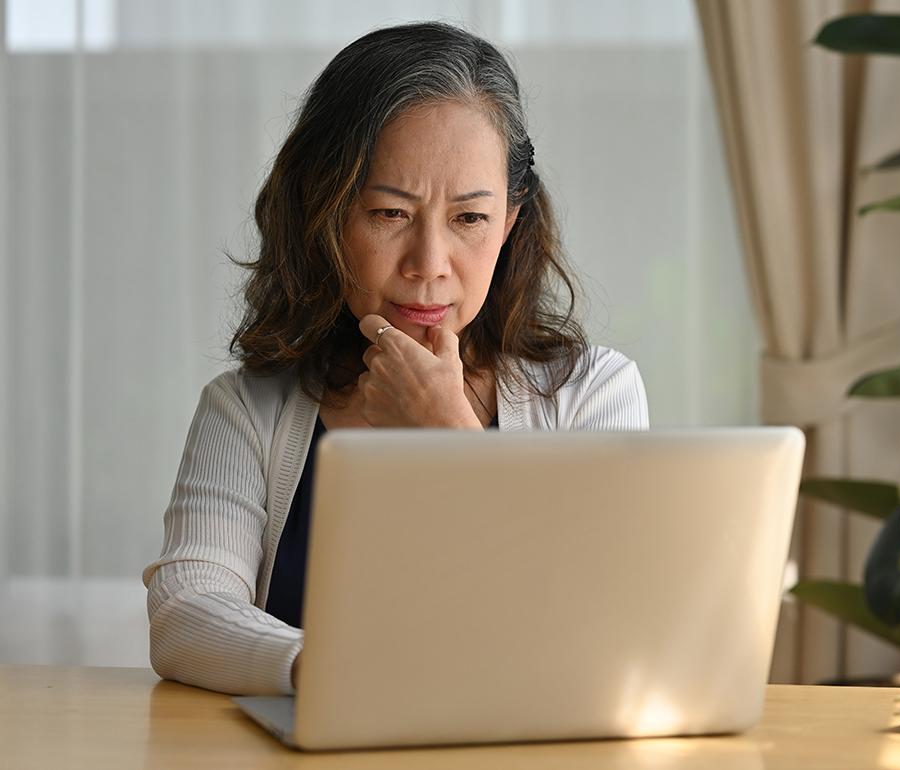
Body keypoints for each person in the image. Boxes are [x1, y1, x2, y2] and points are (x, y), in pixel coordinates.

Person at [142, 21, 649, 696]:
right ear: (323, 215)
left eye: (469, 219)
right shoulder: (247, 409)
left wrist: (450, 436)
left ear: (511, 220)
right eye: (389, 214)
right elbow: (184, 614)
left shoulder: (592, 393)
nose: (429, 267)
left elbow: (603, 627)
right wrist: (335, 672)